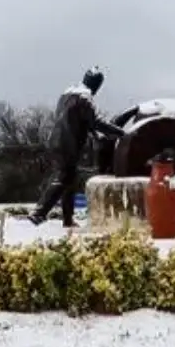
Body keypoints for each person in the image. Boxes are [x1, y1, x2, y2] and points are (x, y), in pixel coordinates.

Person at [29, 66, 124, 227]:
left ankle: (67, 219)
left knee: (69, 179)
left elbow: (83, 122)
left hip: (56, 141)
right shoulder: (84, 98)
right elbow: (95, 123)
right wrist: (120, 133)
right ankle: (39, 212)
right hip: (68, 143)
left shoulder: (67, 95)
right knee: (64, 176)